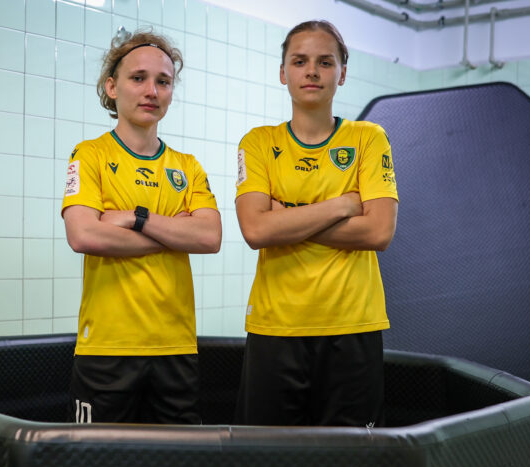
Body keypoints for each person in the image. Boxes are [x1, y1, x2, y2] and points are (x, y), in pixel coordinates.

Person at [234, 20, 399, 427]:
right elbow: (255, 231)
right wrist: (342, 205)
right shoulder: (258, 143)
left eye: (325, 62)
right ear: (283, 72)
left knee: (350, 460)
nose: (312, 71)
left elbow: (379, 232)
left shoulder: (368, 138)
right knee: (268, 456)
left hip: (353, 327)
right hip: (276, 328)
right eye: (300, 61)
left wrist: (285, 217)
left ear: (342, 73)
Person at [61, 29, 222, 424]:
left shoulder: (187, 166)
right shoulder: (90, 155)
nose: (152, 91)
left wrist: (137, 219)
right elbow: (83, 235)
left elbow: (209, 236)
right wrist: (174, 235)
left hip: (175, 349)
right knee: (98, 460)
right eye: (138, 78)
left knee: (178, 460)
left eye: (163, 81)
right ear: (112, 87)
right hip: (107, 350)